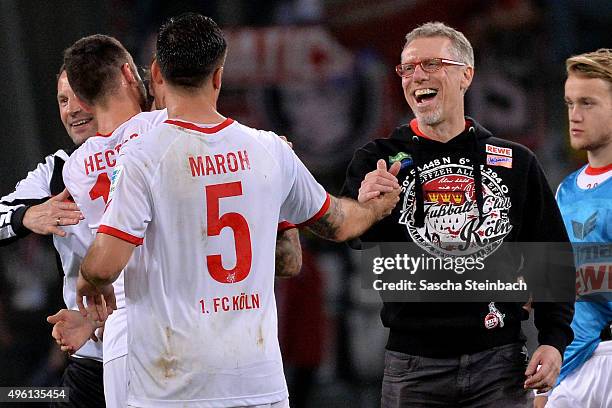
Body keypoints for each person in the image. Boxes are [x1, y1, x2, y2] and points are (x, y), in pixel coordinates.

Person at [76, 13, 399, 408]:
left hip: (174, 388)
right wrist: (375, 206)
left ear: (157, 74)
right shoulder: (269, 149)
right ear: (218, 77)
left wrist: (87, 280)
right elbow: (323, 235)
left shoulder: (143, 155)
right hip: (257, 385)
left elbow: (104, 266)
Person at [50, 33, 306, 407]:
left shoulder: (74, 168)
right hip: (190, 333)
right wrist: (269, 152)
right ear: (129, 73)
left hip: (121, 339)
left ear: (85, 99)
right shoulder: (163, 132)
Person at [343, 21, 575, 406]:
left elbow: (552, 259)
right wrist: (362, 210)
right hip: (411, 366)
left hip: (499, 364)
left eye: (431, 64)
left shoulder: (516, 162)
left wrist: (553, 341)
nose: (417, 76)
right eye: (408, 67)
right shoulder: (377, 159)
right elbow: (351, 238)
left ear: (466, 74)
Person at [0, 67, 105, 407]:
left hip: (160, 351)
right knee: (20, 395)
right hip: (87, 357)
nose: (71, 109)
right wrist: (24, 215)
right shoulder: (56, 173)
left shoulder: (154, 153)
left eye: (81, 95)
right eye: (62, 100)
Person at [534, 49, 612, 408]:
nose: (575, 116)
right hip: (569, 363)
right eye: (568, 104)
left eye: (588, 103)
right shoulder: (566, 190)